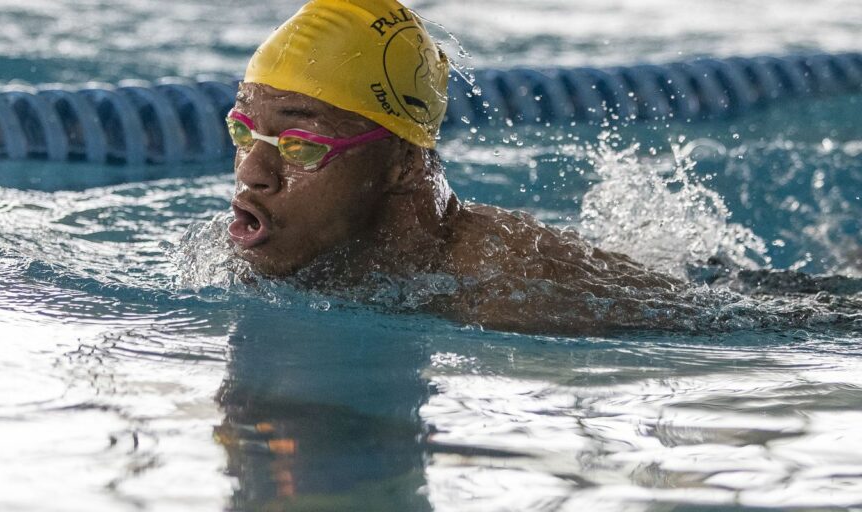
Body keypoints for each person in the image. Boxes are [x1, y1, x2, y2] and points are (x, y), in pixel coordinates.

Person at [225, 0, 685, 334]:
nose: (252, 173)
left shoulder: (510, 292)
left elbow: (742, 328)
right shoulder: (257, 253)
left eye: (301, 145)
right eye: (243, 133)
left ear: (403, 166)